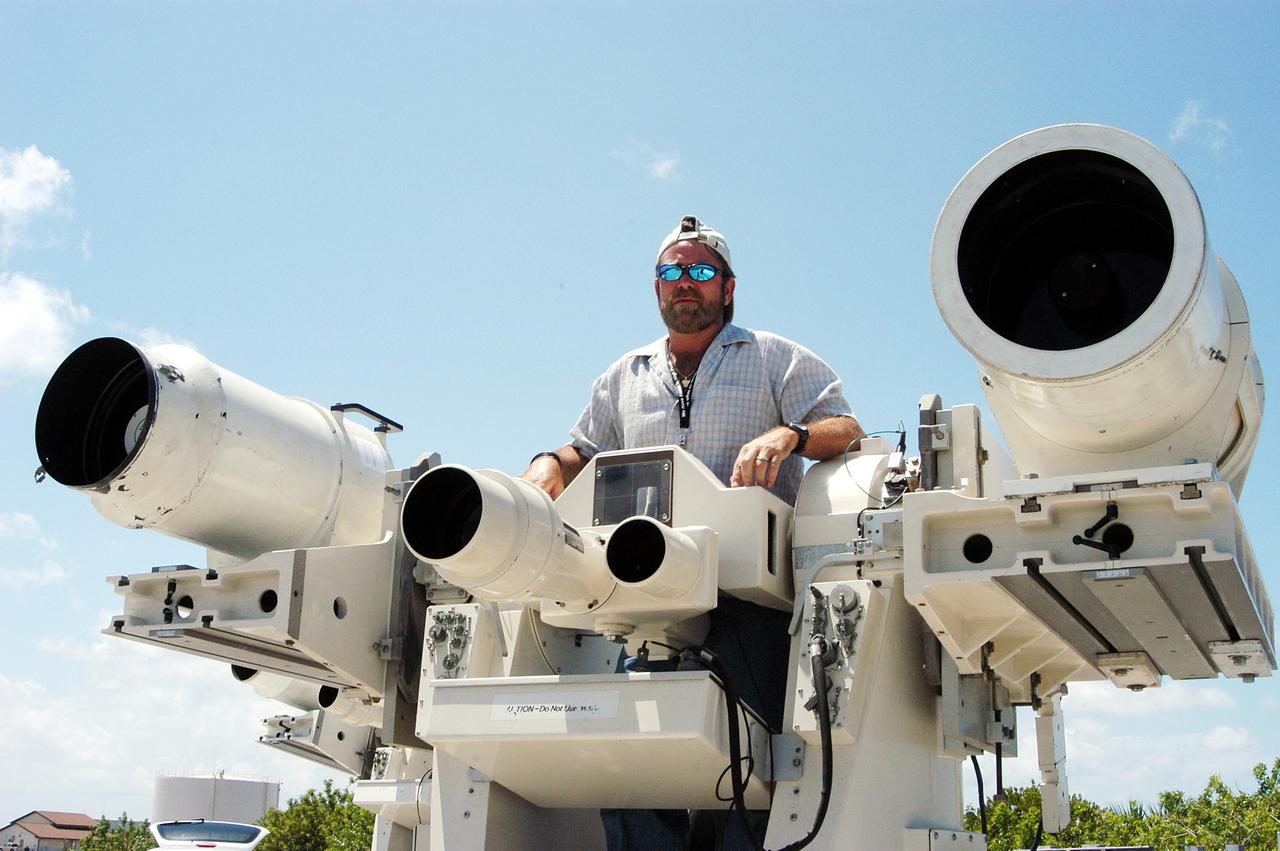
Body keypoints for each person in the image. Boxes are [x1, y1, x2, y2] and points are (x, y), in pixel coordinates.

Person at [521, 215, 864, 851]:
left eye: (701, 272)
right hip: (646, 598)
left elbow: (846, 428)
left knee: (747, 770)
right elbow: (582, 450)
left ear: (727, 288)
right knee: (629, 771)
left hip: (749, 600)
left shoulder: (772, 357)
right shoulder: (626, 374)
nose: (686, 283)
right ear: (656, 289)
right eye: (672, 273)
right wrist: (549, 464)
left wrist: (790, 435)